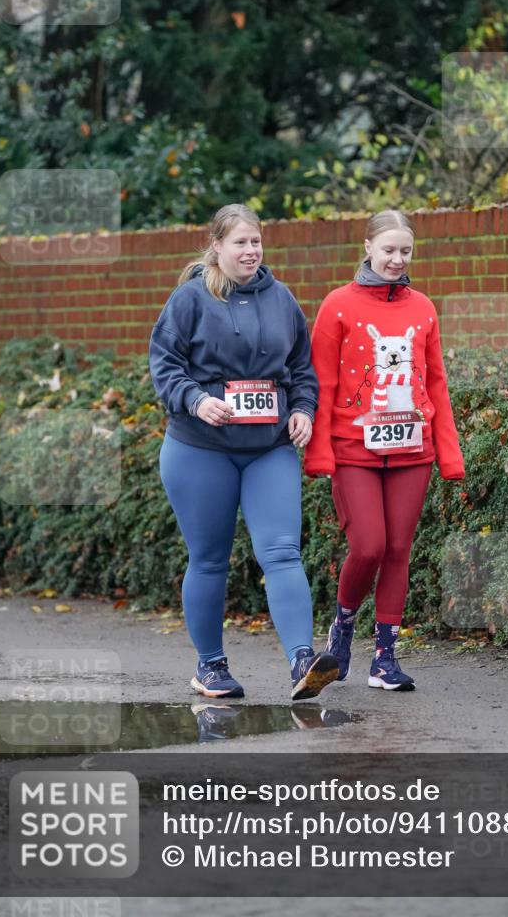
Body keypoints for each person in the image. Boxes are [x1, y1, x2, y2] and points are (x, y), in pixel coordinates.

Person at [149, 204, 339, 701]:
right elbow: (164, 365)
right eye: (240, 243)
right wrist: (197, 399)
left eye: (256, 242)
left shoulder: (281, 299)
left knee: (281, 551)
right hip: (199, 449)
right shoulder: (190, 299)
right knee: (210, 559)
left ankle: (303, 659)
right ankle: (210, 666)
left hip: (268, 448)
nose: (251, 251)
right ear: (216, 246)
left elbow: (301, 367)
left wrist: (302, 408)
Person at [304, 209, 465, 691]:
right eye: (389, 250)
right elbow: (322, 384)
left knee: (398, 549)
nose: (397, 259)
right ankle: (342, 630)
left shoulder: (424, 308)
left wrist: (449, 455)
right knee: (369, 545)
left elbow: (436, 385)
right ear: (368, 248)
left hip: (413, 452)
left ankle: (386, 657)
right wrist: (319, 453)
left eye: (406, 251)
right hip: (354, 452)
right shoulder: (337, 305)